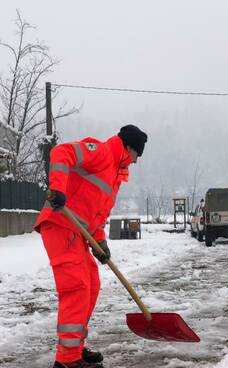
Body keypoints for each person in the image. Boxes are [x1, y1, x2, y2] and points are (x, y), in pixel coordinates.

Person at [34, 125, 148, 368]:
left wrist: (100, 242)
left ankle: (74, 346)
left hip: (77, 233)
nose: (137, 161)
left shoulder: (114, 176)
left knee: (91, 285)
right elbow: (61, 152)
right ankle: (66, 360)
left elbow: (96, 214)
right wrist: (58, 188)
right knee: (77, 287)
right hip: (60, 225)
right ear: (128, 148)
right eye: (137, 155)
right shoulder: (102, 153)